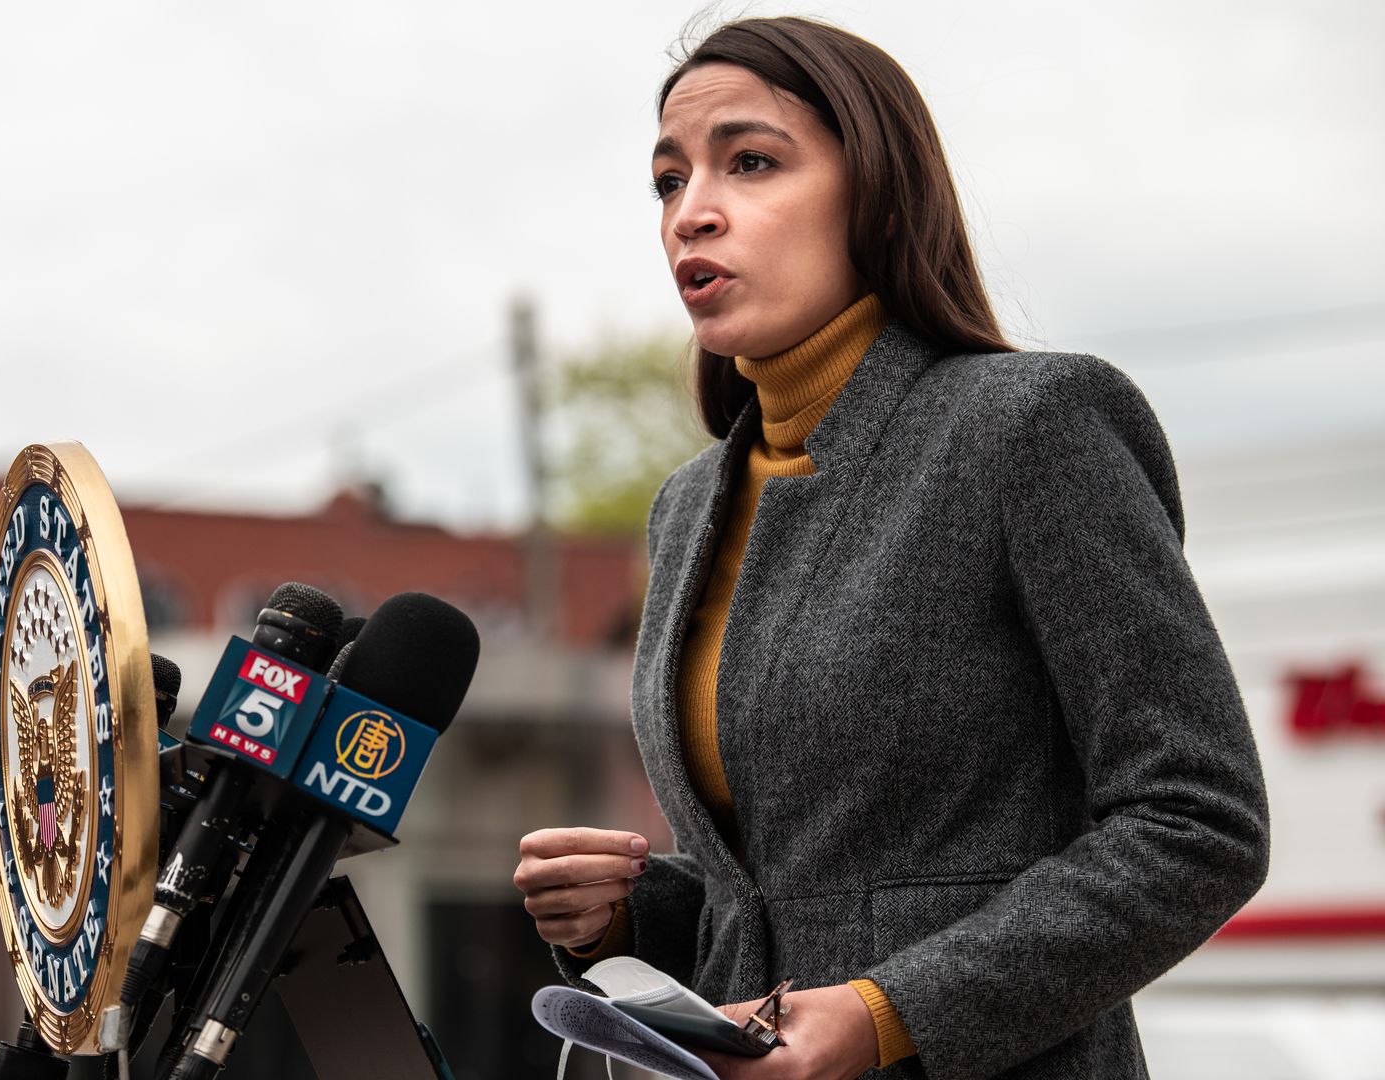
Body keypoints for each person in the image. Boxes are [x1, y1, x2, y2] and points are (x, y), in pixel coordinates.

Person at [512, 16, 1269, 1080]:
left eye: (751, 162)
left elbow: (1199, 821)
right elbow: (780, 891)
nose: (692, 212)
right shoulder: (687, 509)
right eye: (668, 181)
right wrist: (627, 915)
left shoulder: (1028, 427)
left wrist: (886, 1014)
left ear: (879, 194)